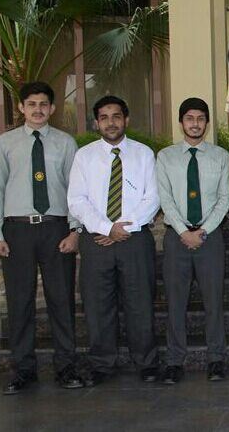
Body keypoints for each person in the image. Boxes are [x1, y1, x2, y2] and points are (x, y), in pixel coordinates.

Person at [0, 82, 83, 394]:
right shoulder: (5, 143)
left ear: (53, 108)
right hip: (17, 230)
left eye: (44, 104)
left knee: (61, 300)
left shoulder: (66, 143)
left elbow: (75, 190)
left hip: (56, 228)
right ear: (21, 107)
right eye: (31, 104)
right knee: (20, 302)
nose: (38, 109)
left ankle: (66, 366)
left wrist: (74, 230)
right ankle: (23, 370)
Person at [67, 95, 160, 386]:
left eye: (116, 116)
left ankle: (146, 362)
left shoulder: (144, 154)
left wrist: (122, 230)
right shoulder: (84, 156)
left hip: (135, 240)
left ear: (126, 120)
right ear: (97, 122)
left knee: (140, 303)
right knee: (98, 305)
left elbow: (152, 197)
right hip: (96, 240)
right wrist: (107, 229)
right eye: (104, 117)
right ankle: (102, 364)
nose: (111, 122)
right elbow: (77, 200)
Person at [155, 98, 229, 384]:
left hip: (210, 237)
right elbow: (165, 198)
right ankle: (175, 361)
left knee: (214, 301)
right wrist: (183, 231)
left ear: (207, 122)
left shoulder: (221, 156)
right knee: (176, 302)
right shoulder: (166, 157)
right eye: (190, 118)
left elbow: (225, 199)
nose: (195, 123)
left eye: (201, 118)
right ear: (181, 122)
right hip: (177, 237)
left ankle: (216, 359)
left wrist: (203, 231)